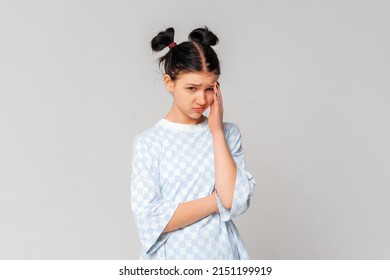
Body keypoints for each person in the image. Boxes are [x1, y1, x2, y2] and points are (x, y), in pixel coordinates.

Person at [130, 27, 255, 260]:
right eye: (192, 88)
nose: (202, 99)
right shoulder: (149, 143)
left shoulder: (228, 134)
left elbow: (234, 200)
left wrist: (216, 131)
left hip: (222, 256)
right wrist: (213, 202)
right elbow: (149, 218)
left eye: (210, 88)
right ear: (169, 83)